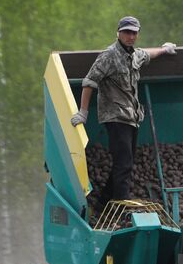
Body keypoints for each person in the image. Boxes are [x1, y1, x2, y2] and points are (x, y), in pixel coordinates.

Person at [71, 16, 176, 213]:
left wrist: (163, 49)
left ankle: (103, 203)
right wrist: (83, 112)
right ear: (118, 33)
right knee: (124, 163)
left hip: (131, 118)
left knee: (125, 161)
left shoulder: (133, 55)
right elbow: (89, 82)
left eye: (134, 33)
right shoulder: (109, 56)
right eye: (127, 32)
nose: (130, 36)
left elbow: (147, 54)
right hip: (115, 116)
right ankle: (122, 208)